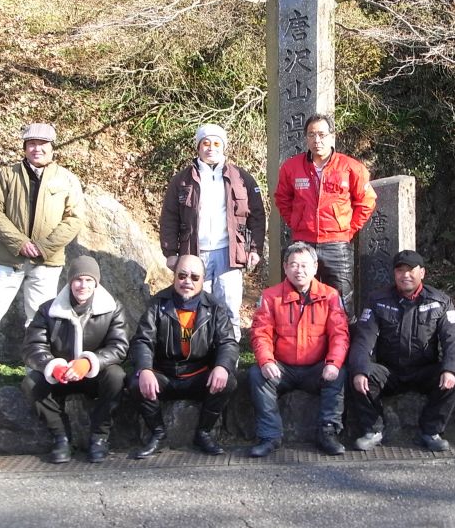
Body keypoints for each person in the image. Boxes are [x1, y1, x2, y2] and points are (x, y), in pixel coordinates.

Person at [0, 123, 84, 385]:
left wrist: (44, 247)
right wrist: (18, 242)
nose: (36, 148)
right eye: (31, 143)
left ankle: (38, 373)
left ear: (52, 147)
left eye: (42, 144)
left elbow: (74, 219)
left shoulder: (67, 179)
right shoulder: (8, 175)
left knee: (40, 321)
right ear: (24, 147)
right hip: (9, 261)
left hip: (46, 263)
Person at [349, 250, 455, 452]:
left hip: (424, 370)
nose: (405, 275)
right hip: (389, 371)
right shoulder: (378, 300)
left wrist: (450, 369)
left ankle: (431, 430)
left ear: (422, 272)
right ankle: (373, 429)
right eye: (400, 270)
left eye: (411, 270)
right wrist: (360, 369)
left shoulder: (440, 301)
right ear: (394, 274)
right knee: (359, 372)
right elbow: (363, 340)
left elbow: (454, 340)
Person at [159, 123, 265, 342]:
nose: (211, 148)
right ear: (198, 147)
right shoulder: (182, 180)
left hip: (229, 252)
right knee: (193, 304)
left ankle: (229, 355)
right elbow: (169, 216)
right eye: (205, 143)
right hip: (194, 252)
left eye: (217, 143)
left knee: (229, 306)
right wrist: (171, 252)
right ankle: (195, 354)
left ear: (224, 147)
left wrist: (254, 249)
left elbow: (256, 215)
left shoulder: (241, 178)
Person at [129, 255, 238, 458]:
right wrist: (145, 369)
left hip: (198, 376)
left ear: (203, 280)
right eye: (182, 275)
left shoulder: (215, 307)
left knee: (228, 381)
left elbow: (228, 342)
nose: (188, 281)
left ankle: (204, 433)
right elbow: (142, 340)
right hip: (164, 375)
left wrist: (222, 366)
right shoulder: (158, 303)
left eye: (195, 277)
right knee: (136, 382)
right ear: (174, 276)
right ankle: (158, 434)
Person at [22, 256, 129, 463]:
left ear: (96, 283)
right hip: (60, 376)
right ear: (70, 281)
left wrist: (89, 363)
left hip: (93, 376)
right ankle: (61, 438)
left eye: (89, 280)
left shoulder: (113, 308)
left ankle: (99, 438)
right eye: (78, 280)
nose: (83, 285)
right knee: (31, 383)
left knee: (116, 376)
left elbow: (119, 347)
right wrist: (52, 365)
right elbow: (32, 347)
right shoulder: (47, 310)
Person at [248, 242, 349, 457]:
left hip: (316, 368)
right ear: (285, 267)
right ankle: (270, 436)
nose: (299, 270)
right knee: (257, 374)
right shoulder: (271, 296)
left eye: (304, 265)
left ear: (315, 267)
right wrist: (266, 360)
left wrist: (333, 363)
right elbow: (260, 333)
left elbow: (339, 334)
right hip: (283, 368)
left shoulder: (330, 296)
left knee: (339, 373)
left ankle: (328, 433)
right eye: (293, 265)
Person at [274, 113, 377, 317]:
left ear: (332, 137)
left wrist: (348, 230)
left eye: (322, 134)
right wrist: (297, 222)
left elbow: (367, 201)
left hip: (337, 244)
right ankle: (302, 337)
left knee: (341, 301)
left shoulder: (351, 167)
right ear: (306, 138)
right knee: (299, 298)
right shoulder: (291, 167)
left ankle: (343, 338)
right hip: (303, 242)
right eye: (311, 135)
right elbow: (282, 199)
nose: (317, 140)